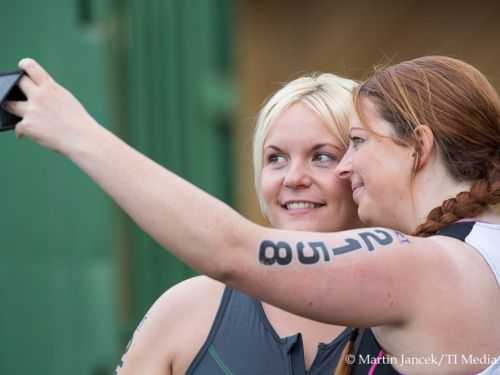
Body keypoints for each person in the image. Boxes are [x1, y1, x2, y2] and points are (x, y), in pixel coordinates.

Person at [6, 55, 500, 374]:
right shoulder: (472, 249)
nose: (347, 165)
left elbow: (232, 251)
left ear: (419, 147)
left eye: (345, 147)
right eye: (274, 157)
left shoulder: (428, 267)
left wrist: (76, 131)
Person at [114, 74, 363, 375]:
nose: (294, 178)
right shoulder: (186, 311)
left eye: (322, 157)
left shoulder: (410, 306)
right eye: (276, 158)